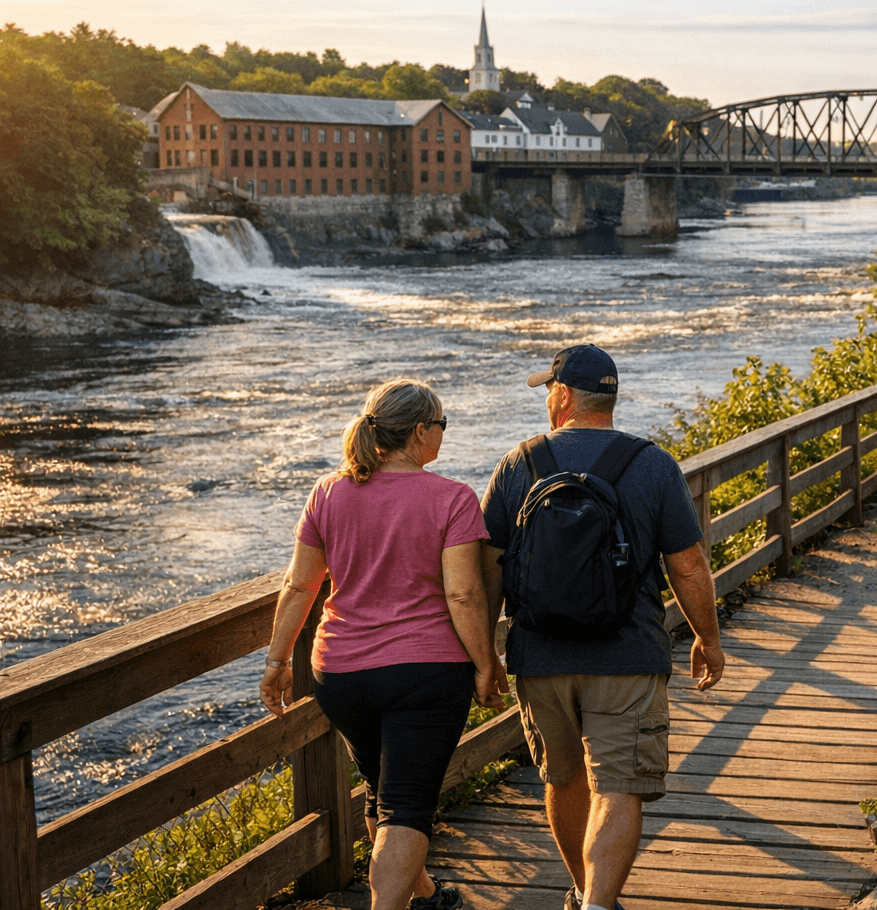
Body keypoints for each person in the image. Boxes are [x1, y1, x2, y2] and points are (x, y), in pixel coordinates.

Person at [480, 345, 726, 910]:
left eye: (548, 389)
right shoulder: (653, 464)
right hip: (627, 654)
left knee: (563, 780)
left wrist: (488, 655)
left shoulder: (518, 463)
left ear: (563, 396)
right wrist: (707, 640)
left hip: (540, 656)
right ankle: (597, 903)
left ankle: (581, 890)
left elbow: (488, 568)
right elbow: (687, 565)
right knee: (619, 786)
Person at [259, 379, 507, 910]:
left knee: (381, 788)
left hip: (342, 675)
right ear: (420, 432)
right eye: (441, 425)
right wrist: (487, 663)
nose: (443, 435)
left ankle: (425, 894)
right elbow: (463, 594)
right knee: (408, 806)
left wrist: (278, 659)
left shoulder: (328, 492)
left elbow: (299, 584)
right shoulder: (451, 498)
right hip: (425, 672)